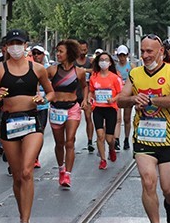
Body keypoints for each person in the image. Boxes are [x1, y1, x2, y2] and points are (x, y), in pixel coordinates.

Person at [0, 29, 55, 223]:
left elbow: (50, 91)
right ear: (6, 47)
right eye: (11, 43)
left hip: (32, 120)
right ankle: (21, 215)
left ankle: (26, 222)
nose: (15, 47)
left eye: (19, 43)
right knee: (16, 175)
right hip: (9, 122)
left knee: (26, 171)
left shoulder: (38, 69)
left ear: (26, 46)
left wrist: (44, 99)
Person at [117, 34, 170, 223]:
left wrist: (151, 100)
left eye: (150, 51)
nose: (145, 55)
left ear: (161, 52)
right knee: (148, 181)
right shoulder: (135, 74)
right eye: (143, 51)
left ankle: (169, 203)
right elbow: (120, 100)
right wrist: (133, 99)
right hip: (144, 138)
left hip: (169, 139)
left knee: (169, 188)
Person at [47, 39, 87, 186]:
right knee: (59, 143)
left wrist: (85, 99)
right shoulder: (52, 70)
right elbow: (40, 80)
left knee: (70, 141)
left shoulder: (79, 72)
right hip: (56, 108)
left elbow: (84, 86)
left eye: (60, 51)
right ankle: (61, 169)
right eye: (57, 51)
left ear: (69, 53)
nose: (57, 54)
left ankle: (68, 176)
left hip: (72, 109)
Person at [86, 52, 123, 170]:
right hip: (98, 108)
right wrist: (89, 98)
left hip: (111, 108)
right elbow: (91, 90)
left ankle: (111, 148)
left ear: (110, 62)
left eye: (106, 60)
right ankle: (103, 159)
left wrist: (113, 99)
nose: (103, 62)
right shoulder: (94, 77)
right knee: (100, 135)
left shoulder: (115, 77)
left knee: (109, 138)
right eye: (101, 60)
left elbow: (121, 93)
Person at [75, 39, 95, 153]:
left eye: (85, 49)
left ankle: (90, 141)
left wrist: (85, 70)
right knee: (74, 120)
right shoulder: (73, 62)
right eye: (80, 49)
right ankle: (71, 140)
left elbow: (95, 71)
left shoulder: (90, 61)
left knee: (88, 117)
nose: (83, 51)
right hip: (74, 94)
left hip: (86, 94)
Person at [114, 45, 135, 150]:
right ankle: (116, 139)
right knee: (118, 119)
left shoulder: (131, 67)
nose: (122, 58)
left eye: (124, 55)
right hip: (117, 94)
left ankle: (126, 139)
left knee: (127, 118)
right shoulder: (115, 67)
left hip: (128, 95)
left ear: (127, 55)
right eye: (120, 55)